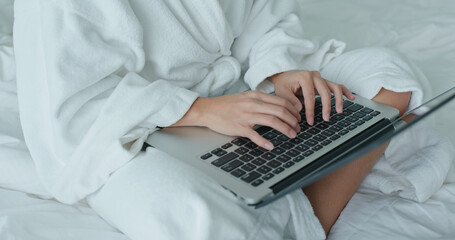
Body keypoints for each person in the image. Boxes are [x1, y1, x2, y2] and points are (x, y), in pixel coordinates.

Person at [14, 0, 421, 239]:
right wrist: (198, 111)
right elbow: (75, 102)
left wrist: (280, 72)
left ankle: (302, 198)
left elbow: (263, 17)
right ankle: (313, 206)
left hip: (241, 96)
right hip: (134, 127)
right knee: (189, 211)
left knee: (389, 74)